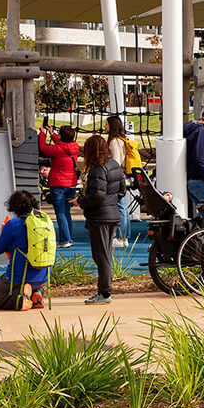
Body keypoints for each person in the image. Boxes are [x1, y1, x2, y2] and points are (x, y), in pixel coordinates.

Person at [80, 134, 126, 304]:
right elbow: (122, 189)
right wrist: (112, 202)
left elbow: (96, 196)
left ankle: (105, 292)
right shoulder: (114, 164)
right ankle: (102, 290)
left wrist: (81, 201)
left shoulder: (97, 169)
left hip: (99, 217)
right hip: (112, 214)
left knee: (101, 257)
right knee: (105, 254)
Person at [0, 190, 48, 311]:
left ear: (14, 207)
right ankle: (37, 293)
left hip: (19, 275)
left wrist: (3, 232)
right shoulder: (44, 222)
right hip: (43, 275)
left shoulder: (13, 224)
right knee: (30, 281)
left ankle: (20, 300)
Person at [39, 124, 80, 248]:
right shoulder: (75, 147)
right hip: (71, 183)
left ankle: (65, 240)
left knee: (60, 213)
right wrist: (52, 134)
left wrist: (42, 134)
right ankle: (68, 238)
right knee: (67, 212)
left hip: (58, 184)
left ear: (62, 136)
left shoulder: (57, 149)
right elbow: (63, 144)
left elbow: (43, 148)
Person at [106, 115, 143, 247]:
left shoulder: (114, 142)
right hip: (124, 177)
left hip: (117, 177)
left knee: (121, 208)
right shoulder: (123, 140)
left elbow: (115, 162)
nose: (105, 127)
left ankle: (121, 237)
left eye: (107, 125)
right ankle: (124, 237)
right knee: (124, 208)